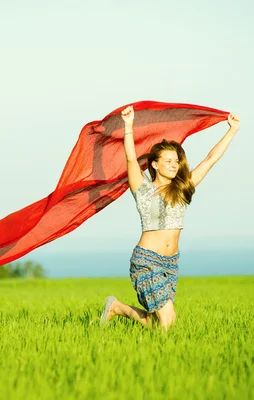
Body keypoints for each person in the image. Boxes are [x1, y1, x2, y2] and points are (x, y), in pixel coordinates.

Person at [100, 105, 240, 331]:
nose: (174, 165)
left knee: (157, 323)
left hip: (171, 264)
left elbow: (210, 159)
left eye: (176, 161)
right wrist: (128, 127)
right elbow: (130, 160)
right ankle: (162, 362)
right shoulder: (143, 189)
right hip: (146, 261)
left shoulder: (183, 189)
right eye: (168, 161)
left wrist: (232, 131)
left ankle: (116, 307)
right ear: (154, 164)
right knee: (168, 320)